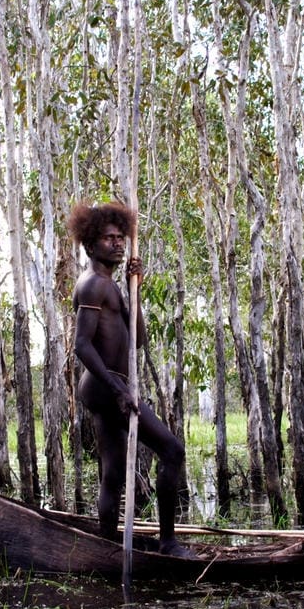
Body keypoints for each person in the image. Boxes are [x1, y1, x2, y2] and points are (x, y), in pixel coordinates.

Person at [67, 201, 193, 558]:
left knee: (113, 472)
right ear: (90, 245)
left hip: (109, 387)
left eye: (121, 237)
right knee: (172, 451)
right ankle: (168, 543)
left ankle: (107, 546)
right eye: (109, 239)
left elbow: (138, 337)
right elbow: (81, 346)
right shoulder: (92, 284)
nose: (118, 244)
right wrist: (119, 389)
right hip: (105, 387)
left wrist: (133, 286)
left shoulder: (111, 285)